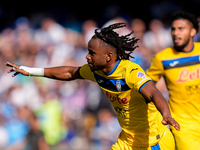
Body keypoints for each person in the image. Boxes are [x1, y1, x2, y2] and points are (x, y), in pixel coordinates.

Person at [6, 23, 180, 150]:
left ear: (108, 56)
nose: (87, 57)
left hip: (155, 143)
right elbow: (68, 73)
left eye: (92, 53)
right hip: (127, 142)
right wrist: (30, 71)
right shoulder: (96, 71)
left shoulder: (130, 72)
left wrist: (166, 114)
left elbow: (154, 92)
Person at [146, 11, 200, 150]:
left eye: (181, 28)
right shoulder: (163, 58)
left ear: (193, 31)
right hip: (184, 127)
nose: (175, 33)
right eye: (173, 29)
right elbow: (145, 85)